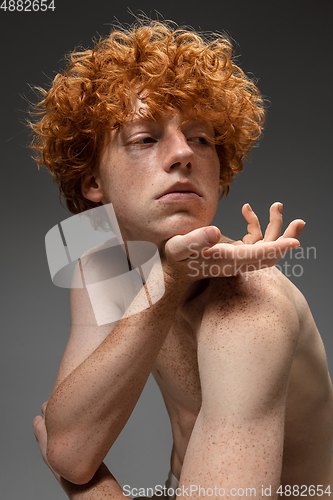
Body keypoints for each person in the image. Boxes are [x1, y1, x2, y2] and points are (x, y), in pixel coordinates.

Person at [31, 18, 333, 499]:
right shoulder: (104, 265)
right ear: (92, 182)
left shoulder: (250, 308)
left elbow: (66, 462)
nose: (182, 154)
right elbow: (70, 448)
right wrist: (169, 280)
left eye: (201, 139)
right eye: (146, 139)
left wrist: (91, 493)